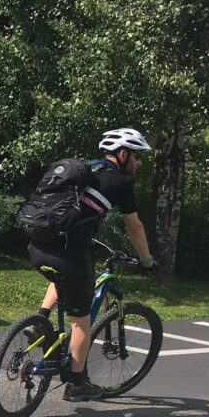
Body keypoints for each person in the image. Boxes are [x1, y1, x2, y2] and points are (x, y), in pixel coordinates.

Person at [28, 127, 160, 402]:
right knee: (81, 320)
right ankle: (77, 384)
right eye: (136, 157)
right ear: (122, 154)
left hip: (38, 246)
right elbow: (135, 227)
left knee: (60, 278)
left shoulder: (85, 171)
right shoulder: (120, 183)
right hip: (68, 254)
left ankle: (40, 320)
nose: (139, 163)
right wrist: (147, 261)